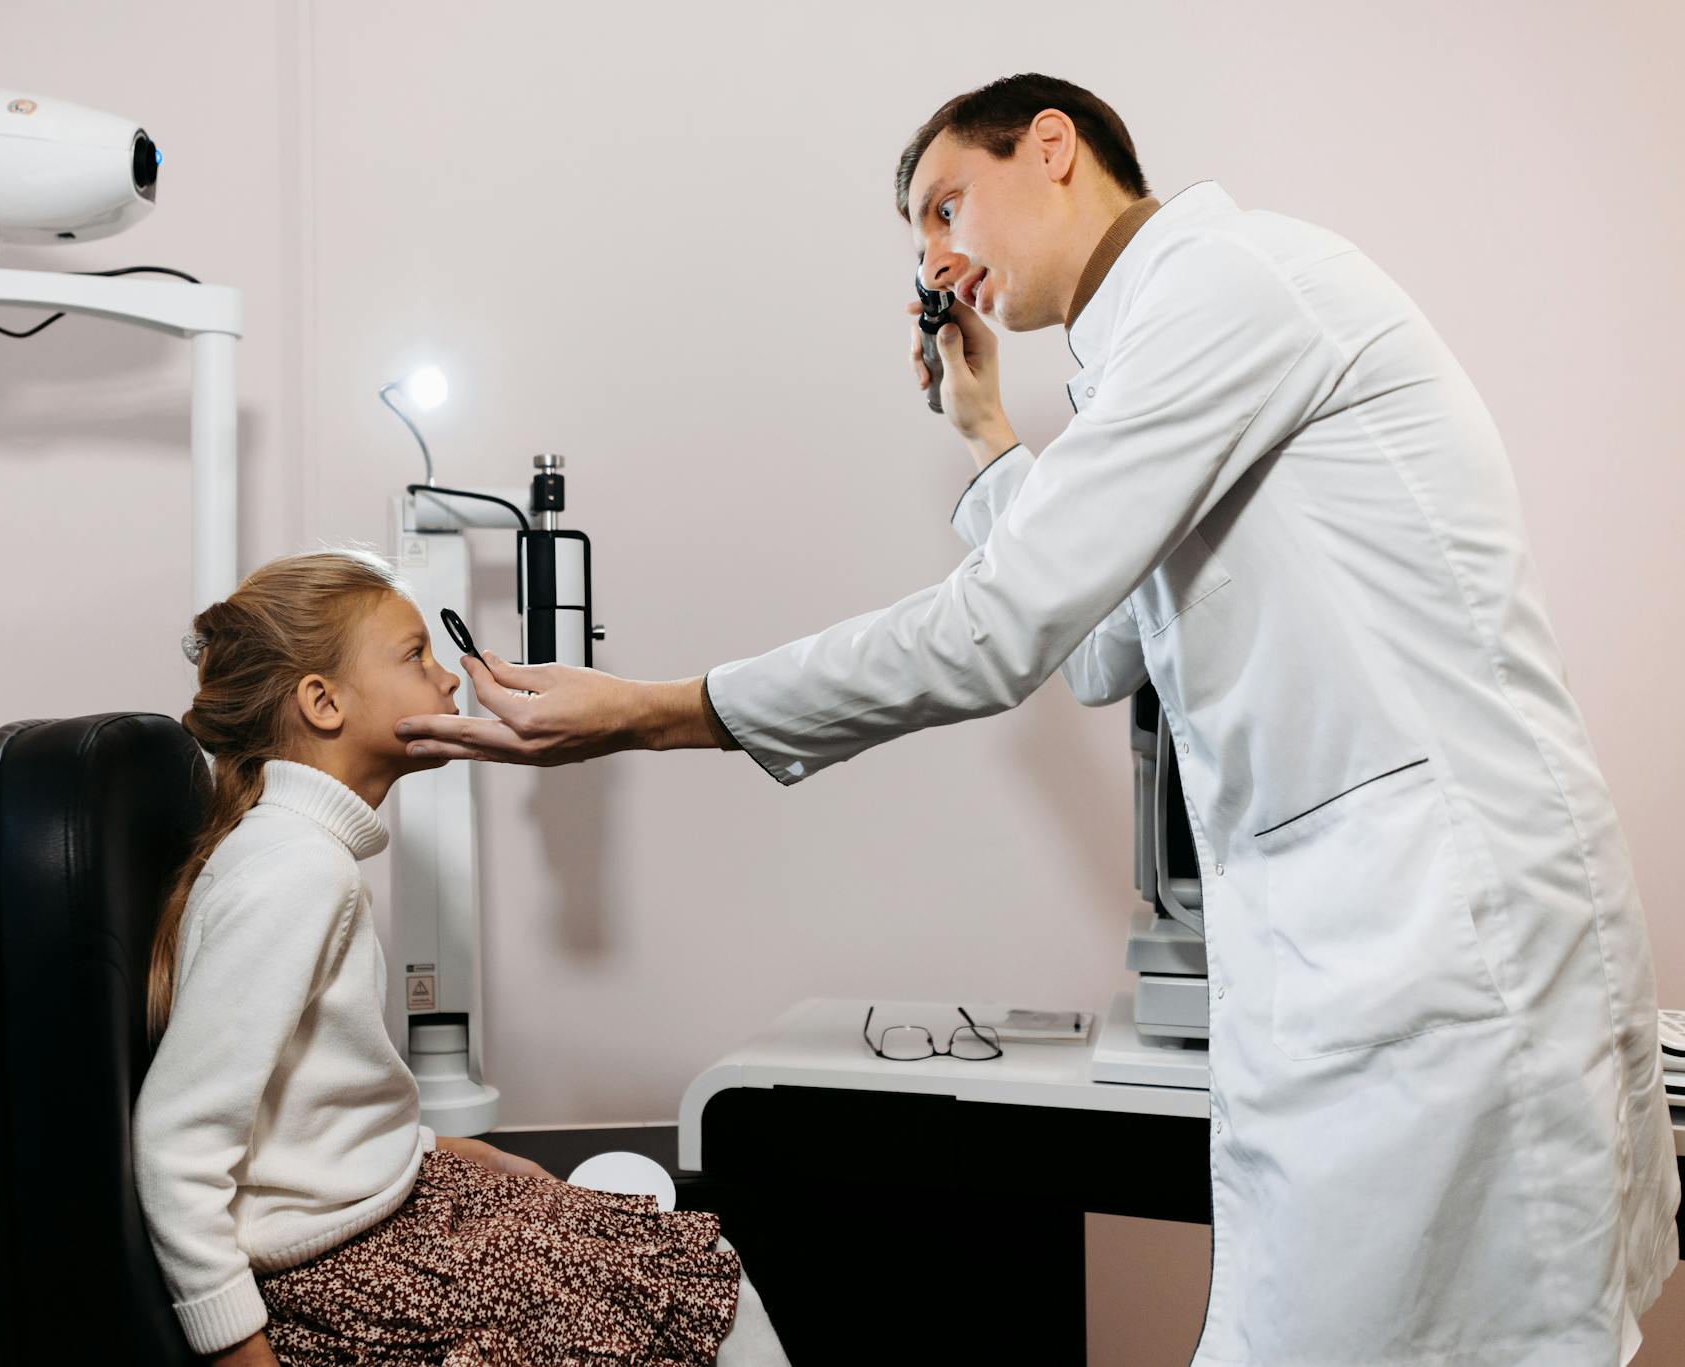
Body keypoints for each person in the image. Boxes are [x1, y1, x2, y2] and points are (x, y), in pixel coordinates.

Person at [395, 74, 1680, 1364]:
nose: (937, 257)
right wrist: (987, 433)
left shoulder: (1225, 286)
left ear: (1053, 147)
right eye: (915, 243)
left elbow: (1000, 630)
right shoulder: (1148, 350)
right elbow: (1100, 649)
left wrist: (662, 710)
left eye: (945, 205)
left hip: (1441, 923)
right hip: (1346, 935)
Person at [132, 550, 787, 1367]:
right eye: (416, 655)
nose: (448, 682)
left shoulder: (299, 854)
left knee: (673, 1259)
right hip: (339, 1269)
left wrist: (440, 1149)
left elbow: (307, 1113)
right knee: (692, 1278)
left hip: (380, 1210)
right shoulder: (296, 870)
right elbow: (177, 1142)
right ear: (322, 701)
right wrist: (237, 1349)